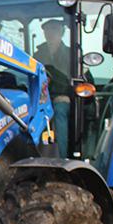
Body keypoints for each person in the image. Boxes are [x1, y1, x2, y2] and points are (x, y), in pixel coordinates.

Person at [33, 19, 71, 157]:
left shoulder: (72, 54)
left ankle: (62, 157)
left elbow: (84, 79)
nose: (50, 33)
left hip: (62, 98)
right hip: (41, 98)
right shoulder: (38, 54)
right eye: (47, 30)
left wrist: (69, 96)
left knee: (60, 110)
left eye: (54, 29)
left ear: (61, 32)